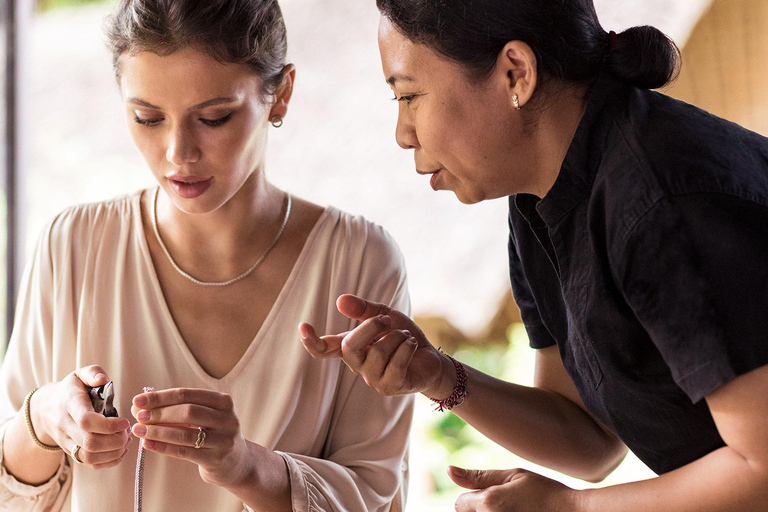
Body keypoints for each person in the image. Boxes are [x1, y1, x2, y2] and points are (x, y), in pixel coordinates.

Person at [299, 0, 768, 510]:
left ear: (515, 73)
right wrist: (437, 375)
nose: (402, 134)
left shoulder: (662, 205)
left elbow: (761, 468)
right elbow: (591, 441)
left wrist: (568, 508)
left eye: (409, 96)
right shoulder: (539, 200)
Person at [0, 1, 413, 511]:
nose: (179, 152)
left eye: (214, 117)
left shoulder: (360, 263)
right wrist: (42, 421)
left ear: (280, 95)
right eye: (147, 117)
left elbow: (376, 495)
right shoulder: (72, 247)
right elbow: (12, 495)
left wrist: (244, 467)